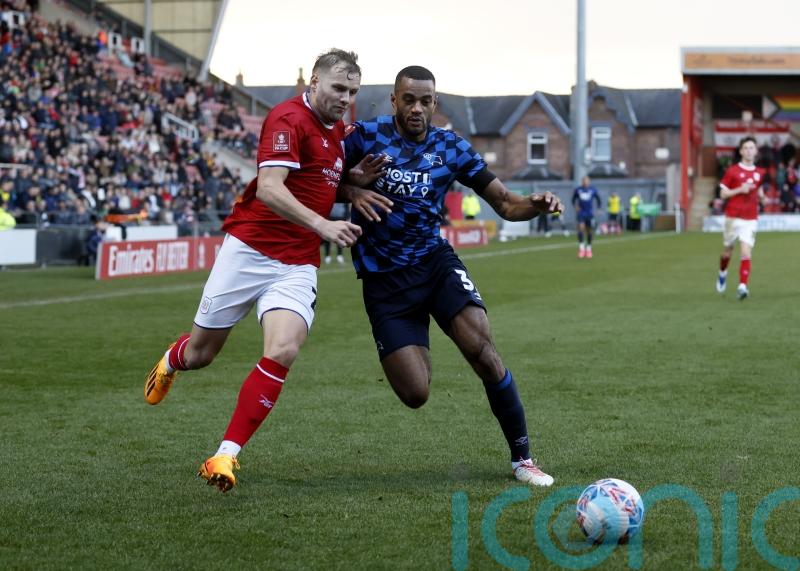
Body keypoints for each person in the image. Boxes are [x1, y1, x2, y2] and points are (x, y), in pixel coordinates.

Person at [144, 49, 369, 492]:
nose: (345, 98)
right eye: (338, 88)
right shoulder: (287, 118)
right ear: (314, 83)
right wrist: (323, 224)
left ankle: (224, 455)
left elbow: (317, 182)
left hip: (297, 262)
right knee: (201, 355)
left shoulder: (338, 132)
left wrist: (353, 187)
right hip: (249, 251)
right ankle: (172, 358)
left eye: (352, 91)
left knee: (283, 349)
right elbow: (269, 188)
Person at [342, 66, 562, 487]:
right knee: (415, 393)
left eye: (425, 101)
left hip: (434, 264)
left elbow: (506, 203)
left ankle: (523, 459)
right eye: (409, 99)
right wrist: (349, 188)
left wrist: (535, 204)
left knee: (482, 349)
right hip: (385, 281)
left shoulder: (451, 147)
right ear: (394, 100)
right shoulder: (364, 137)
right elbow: (314, 180)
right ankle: (415, 338)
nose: (417, 108)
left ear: (435, 104)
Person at [715, 136, 765, 300]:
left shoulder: (760, 173)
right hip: (732, 217)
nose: (749, 151)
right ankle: (722, 272)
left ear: (756, 151)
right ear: (741, 151)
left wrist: (762, 197)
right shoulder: (732, 171)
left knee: (746, 251)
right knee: (727, 250)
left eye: (752, 148)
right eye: (746, 148)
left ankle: (742, 286)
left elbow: (759, 191)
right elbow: (722, 194)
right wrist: (739, 190)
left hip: (750, 218)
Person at [572, 176, 601, 258]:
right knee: (581, 228)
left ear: (589, 181)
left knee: (589, 231)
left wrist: (599, 208)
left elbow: (598, 199)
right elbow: (573, 199)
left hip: (589, 213)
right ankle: (581, 249)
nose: (585, 182)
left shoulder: (593, 189)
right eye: (584, 181)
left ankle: (588, 249)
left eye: (587, 181)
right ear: (582, 182)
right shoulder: (578, 190)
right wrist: (575, 206)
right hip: (581, 213)